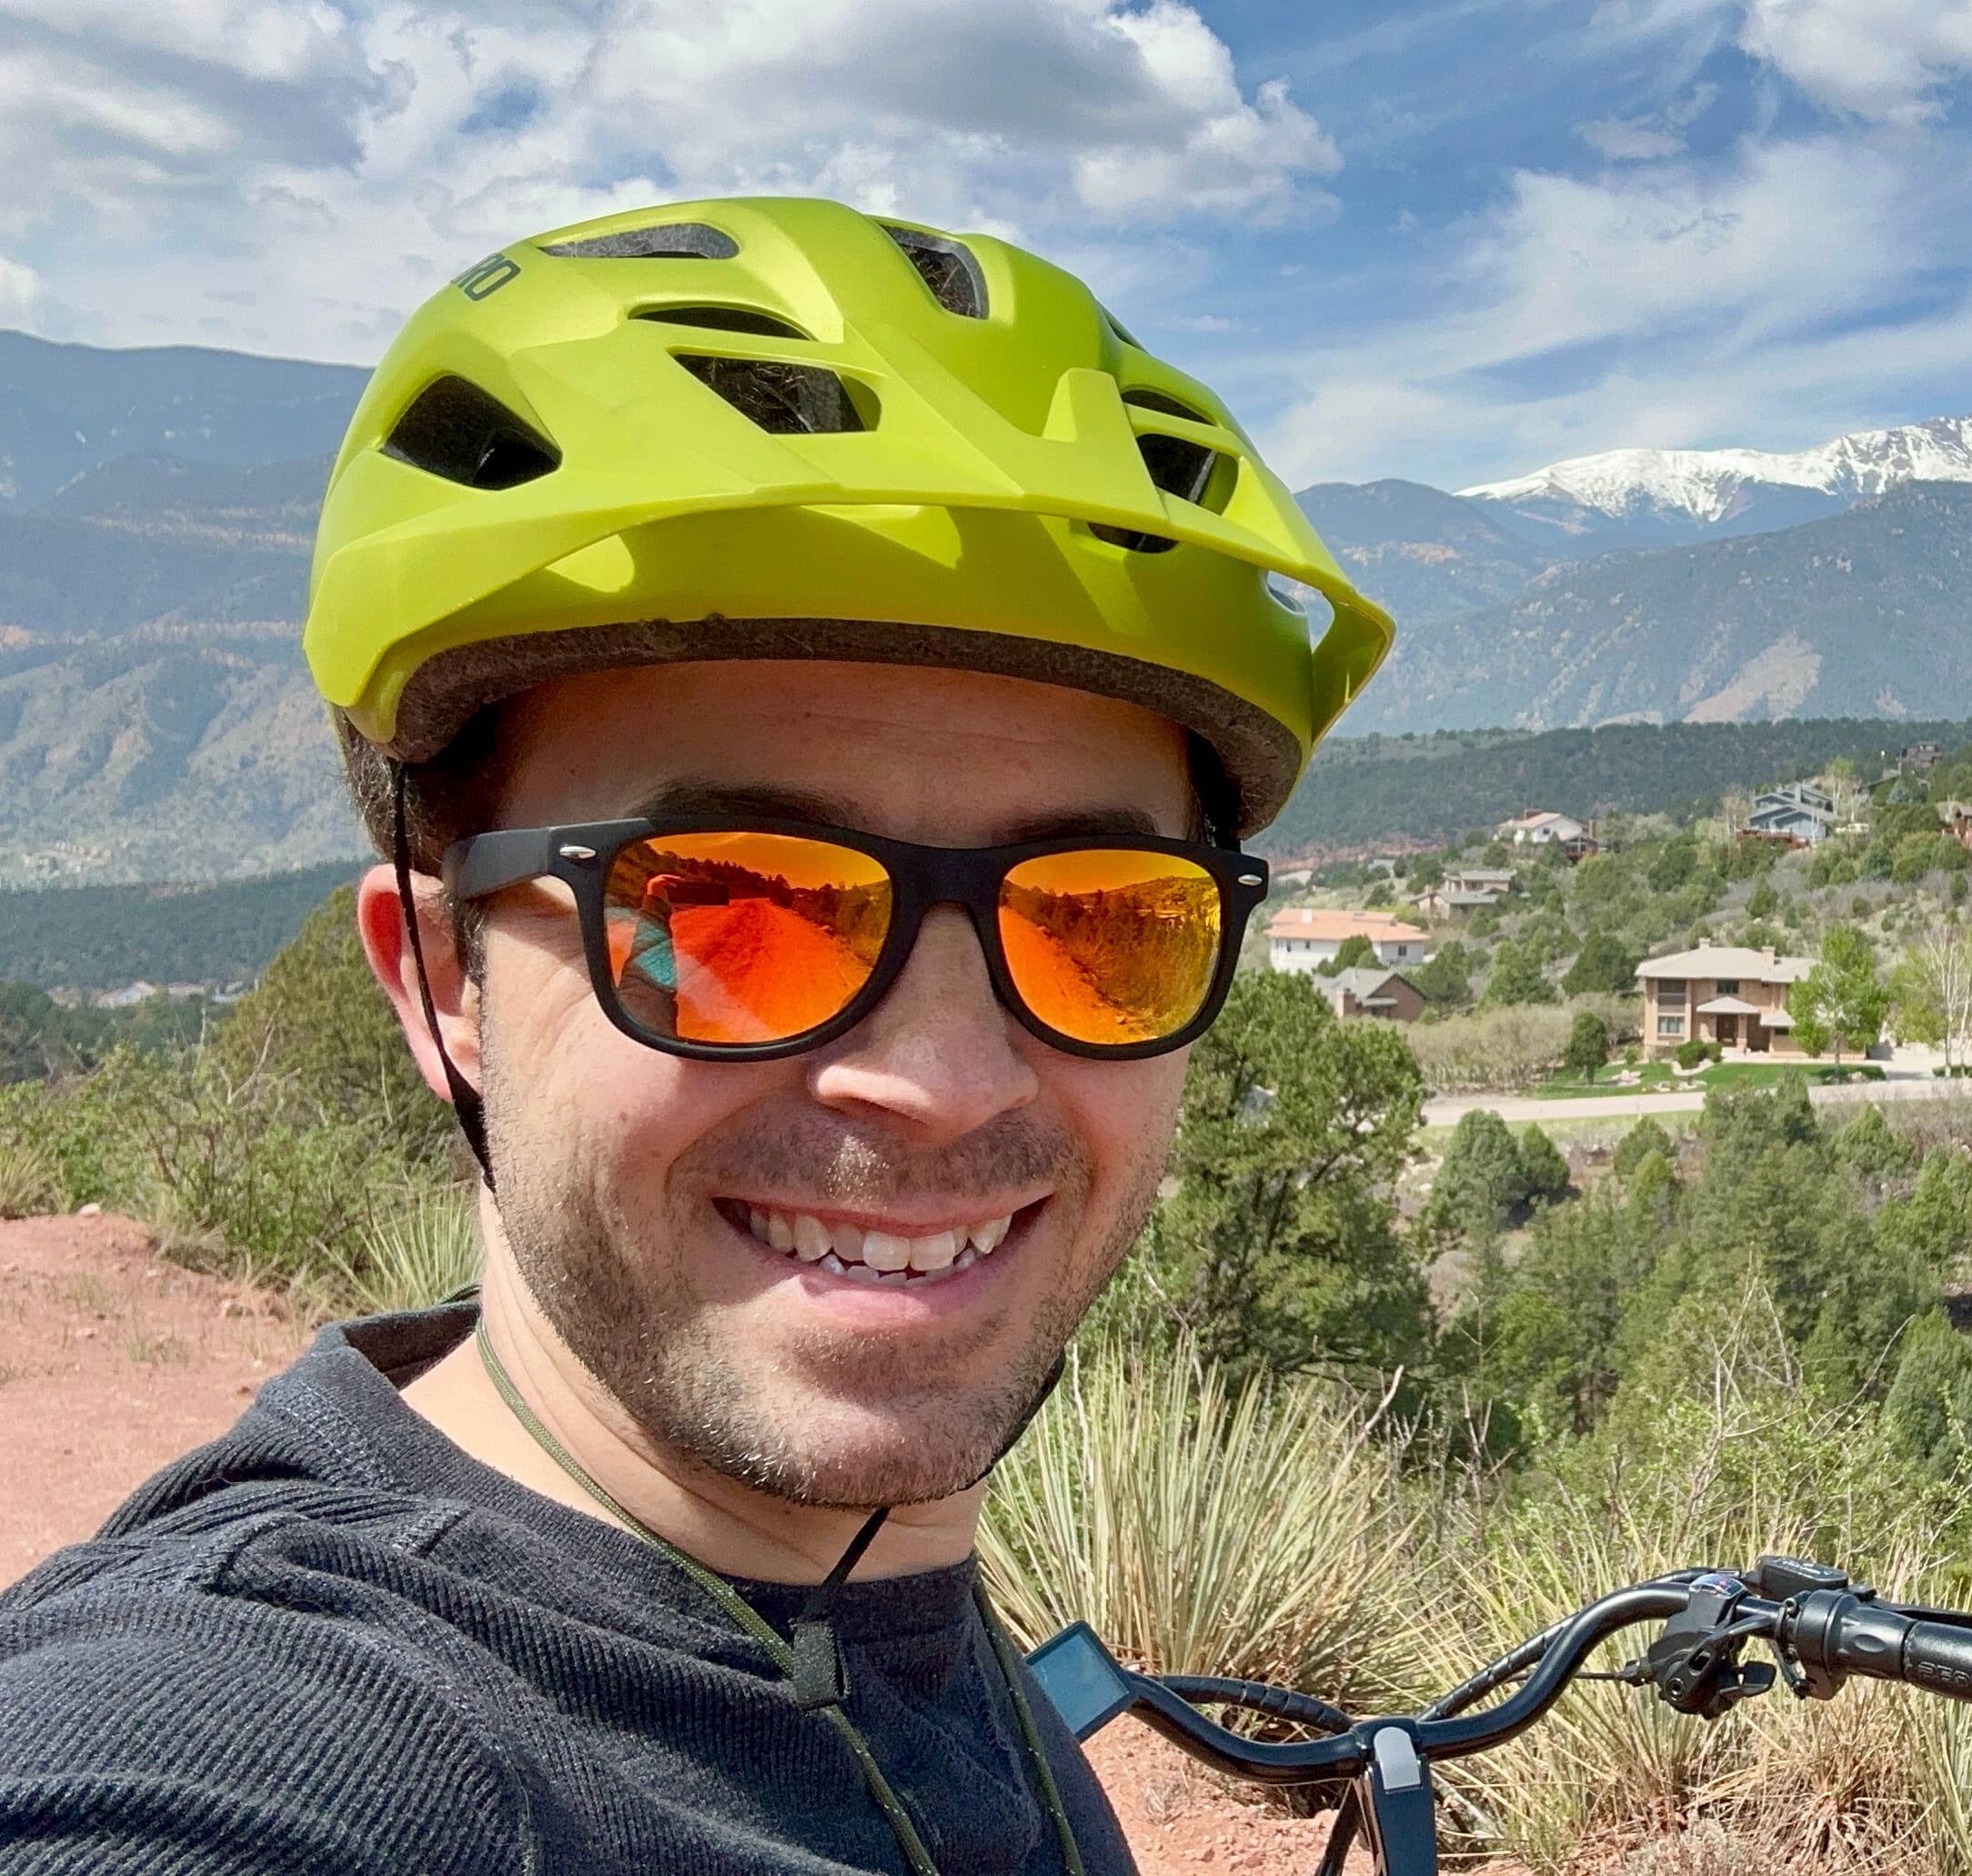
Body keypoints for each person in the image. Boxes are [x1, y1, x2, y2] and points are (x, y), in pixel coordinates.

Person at [0, 197, 1392, 1871]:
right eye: (737, 911)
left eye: (1098, 917)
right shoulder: (253, 1743)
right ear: (443, 980)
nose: (945, 1082)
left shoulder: (899, 1632)